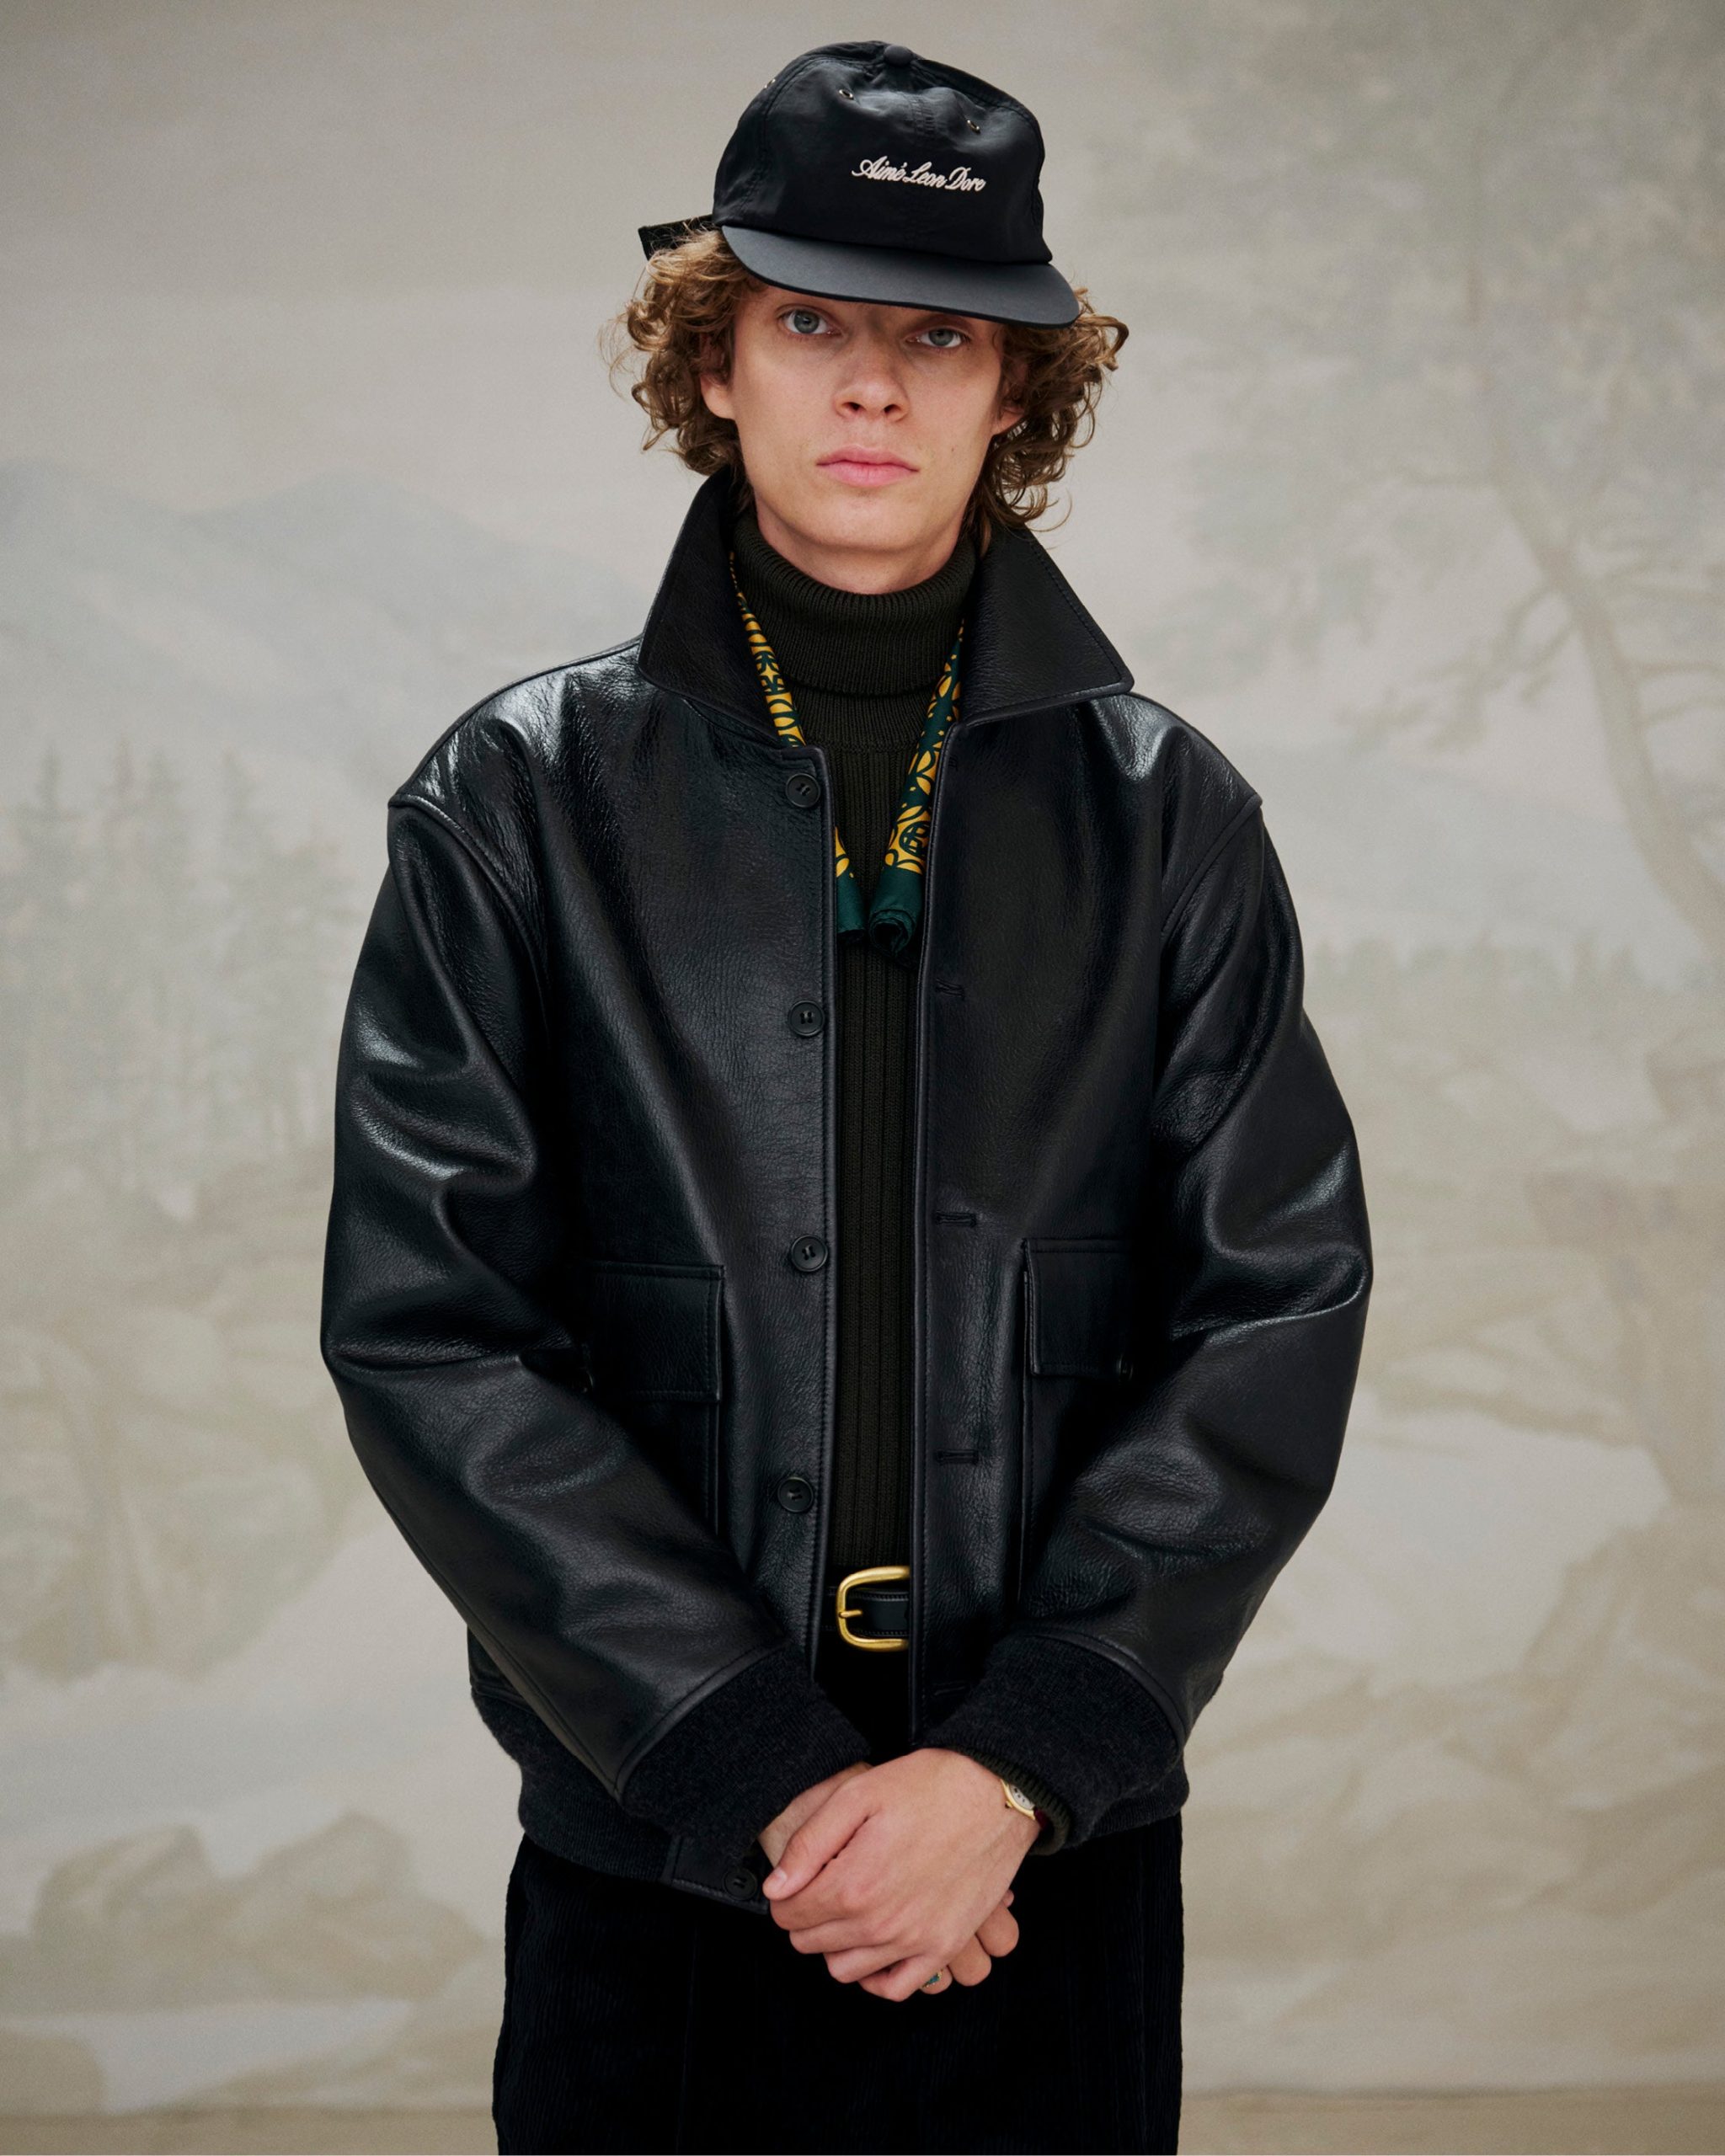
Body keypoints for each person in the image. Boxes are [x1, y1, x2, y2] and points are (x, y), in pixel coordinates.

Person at [319, 38, 1373, 2156]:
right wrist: (752, 1764)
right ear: (714, 361)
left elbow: (1274, 1300)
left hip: (1041, 1854)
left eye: (941, 335)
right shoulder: (514, 801)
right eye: (811, 322)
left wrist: (1016, 1760)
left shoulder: (1168, 814)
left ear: (1016, 390)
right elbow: (434, 1330)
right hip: (659, 1836)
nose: (874, 384)